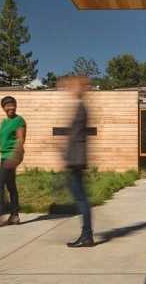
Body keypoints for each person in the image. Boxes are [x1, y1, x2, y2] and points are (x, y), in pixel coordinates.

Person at [61, 76, 95, 247]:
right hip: (76, 158)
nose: (70, 90)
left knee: (81, 199)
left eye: (73, 87)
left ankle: (87, 236)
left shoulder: (81, 107)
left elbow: (76, 137)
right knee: (81, 198)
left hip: (76, 159)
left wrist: (67, 157)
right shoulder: (80, 106)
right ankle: (87, 234)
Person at [0, 96, 26, 229]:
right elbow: (4, 141)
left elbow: (20, 140)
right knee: (11, 186)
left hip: (12, 155)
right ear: (3, 108)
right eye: (7, 105)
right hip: (4, 156)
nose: (11, 107)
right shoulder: (3, 122)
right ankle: (14, 216)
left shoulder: (19, 120)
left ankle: (0, 214)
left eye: (13, 105)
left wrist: (16, 156)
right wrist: (0, 156)